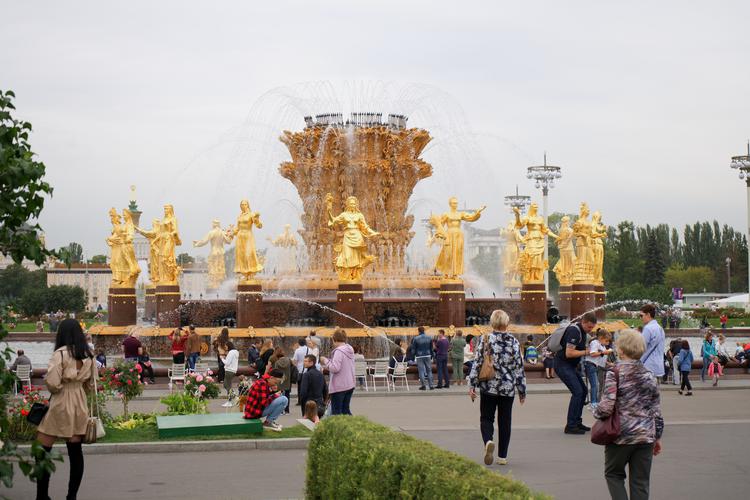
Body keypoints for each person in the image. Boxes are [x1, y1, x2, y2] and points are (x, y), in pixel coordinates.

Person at [592, 329, 664, 500]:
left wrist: (594, 410)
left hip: (621, 435)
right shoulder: (649, 375)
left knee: (614, 474)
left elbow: (606, 407)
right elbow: (656, 410)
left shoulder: (615, 373)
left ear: (622, 350)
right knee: (641, 482)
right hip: (645, 436)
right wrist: (657, 436)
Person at [35, 319, 96, 500]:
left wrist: (62, 388)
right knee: (75, 452)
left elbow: (53, 383)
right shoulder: (89, 355)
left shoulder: (60, 354)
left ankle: (42, 496)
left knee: (42, 449)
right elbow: (91, 385)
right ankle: (71, 496)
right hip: (79, 402)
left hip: (61, 402)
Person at [468, 309, 526, 466]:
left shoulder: (485, 339)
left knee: (486, 418)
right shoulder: (514, 342)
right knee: (505, 421)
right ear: (506, 323)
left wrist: (472, 385)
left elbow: (477, 362)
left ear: (492, 322)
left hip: (489, 386)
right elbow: (519, 368)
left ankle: (488, 441)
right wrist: (522, 390)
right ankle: (502, 456)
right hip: (507, 388)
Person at [554, 311, 598, 435]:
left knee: (583, 391)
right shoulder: (574, 331)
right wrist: (587, 352)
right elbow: (569, 353)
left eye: (592, 327)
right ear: (583, 322)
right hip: (562, 365)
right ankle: (571, 425)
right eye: (589, 327)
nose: (590, 330)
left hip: (570, 366)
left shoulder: (582, 332)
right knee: (578, 392)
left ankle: (577, 421)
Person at [320, 328, 355, 415]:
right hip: (349, 384)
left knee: (337, 412)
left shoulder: (339, 351)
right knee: (345, 410)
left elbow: (335, 368)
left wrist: (325, 360)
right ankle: (355, 423)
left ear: (334, 339)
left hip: (339, 386)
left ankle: (341, 425)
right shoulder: (349, 349)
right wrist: (329, 361)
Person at [585, 329, 612, 408]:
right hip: (590, 364)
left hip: (594, 365)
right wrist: (603, 352)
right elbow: (592, 354)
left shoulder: (601, 345)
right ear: (600, 338)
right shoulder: (595, 343)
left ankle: (594, 401)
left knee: (596, 384)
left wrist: (609, 363)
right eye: (606, 340)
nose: (607, 342)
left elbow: (601, 358)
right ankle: (593, 402)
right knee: (595, 385)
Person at [639, 304, 665, 380]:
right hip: (658, 366)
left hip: (648, 366)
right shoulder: (660, 328)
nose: (640, 318)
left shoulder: (648, 328)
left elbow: (641, 347)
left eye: (641, 315)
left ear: (648, 315)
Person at [411, 326, 434, 390]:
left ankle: (423, 385)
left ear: (418, 331)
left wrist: (412, 357)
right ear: (424, 331)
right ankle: (431, 385)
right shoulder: (429, 338)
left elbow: (413, 349)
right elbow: (431, 348)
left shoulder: (416, 338)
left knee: (421, 371)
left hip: (419, 356)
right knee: (429, 371)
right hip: (428, 355)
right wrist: (432, 355)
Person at [272, 346, 292, 414]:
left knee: (279, 395)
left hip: (279, 381)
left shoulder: (277, 362)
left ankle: (280, 410)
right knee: (287, 395)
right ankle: (287, 410)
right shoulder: (289, 361)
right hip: (287, 380)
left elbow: (276, 372)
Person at [220, 341, 240, 407]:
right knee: (228, 386)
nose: (225, 347)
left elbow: (227, 363)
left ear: (229, 346)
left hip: (229, 371)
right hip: (233, 371)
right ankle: (231, 400)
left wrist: (222, 358)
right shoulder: (235, 352)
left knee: (227, 386)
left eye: (226, 346)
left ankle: (233, 399)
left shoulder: (231, 352)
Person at [292, 338, 309, 404]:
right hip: (308, 370)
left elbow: (294, 361)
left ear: (299, 343)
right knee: (308, 386)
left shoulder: (297, 350)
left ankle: (300, 400)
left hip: (300, 371)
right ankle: (307, 400)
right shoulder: (309, 349)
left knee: (300, 386)